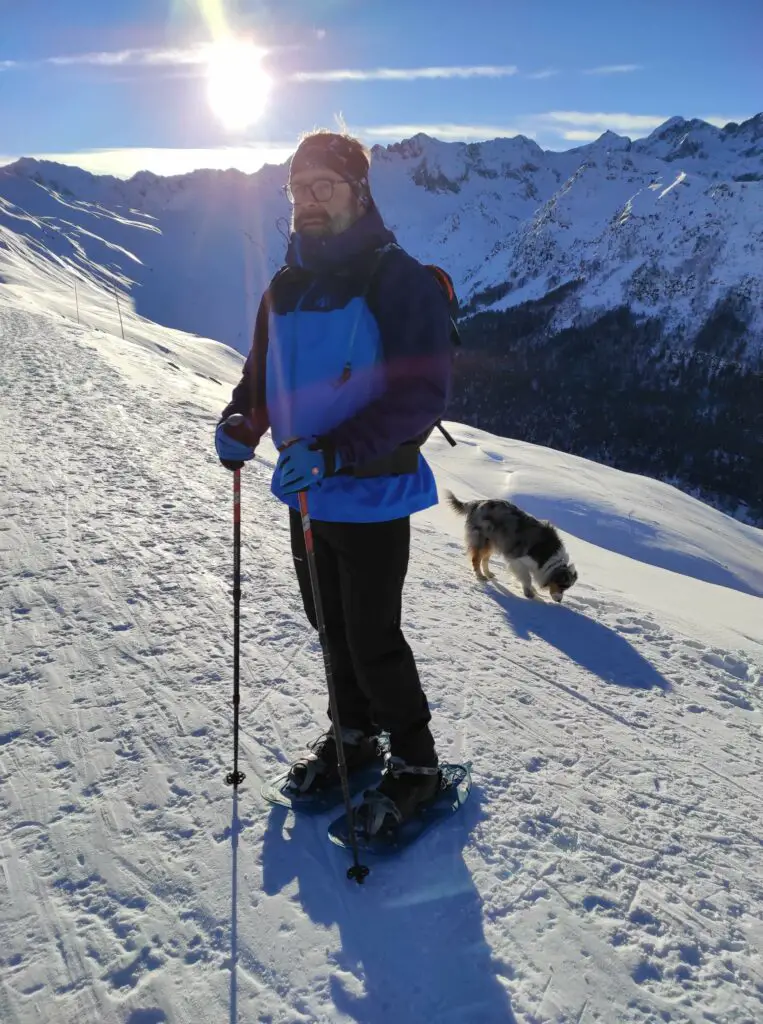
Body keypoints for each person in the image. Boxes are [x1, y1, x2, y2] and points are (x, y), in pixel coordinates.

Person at [214, 130, 453, 834]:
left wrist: (335, 452)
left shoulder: (396, 278)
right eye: (296, 190)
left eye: (323, 186)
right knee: (330, 628)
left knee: (373, 636)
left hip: (371, 493)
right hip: (308, 495)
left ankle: (417, 763)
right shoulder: (284, 285)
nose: (307, 202)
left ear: (358, 192)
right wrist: (240, 422)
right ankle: (352, 734)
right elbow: (261, 379)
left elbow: (422, 395)